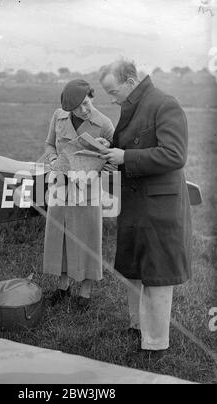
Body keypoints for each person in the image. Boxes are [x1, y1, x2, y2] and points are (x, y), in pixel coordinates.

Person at [99, 59, 192, 358]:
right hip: (137, 202)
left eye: (113, 92)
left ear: (130, 81)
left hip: (158, 206)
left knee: (156, 275)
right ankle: (137, 326)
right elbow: (127, 145)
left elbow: (174, 155)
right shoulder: (134, 105)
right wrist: (109, 149)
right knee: (135, 269)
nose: (112, 99)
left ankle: (155, 345)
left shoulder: (165, 103)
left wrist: (126, 157)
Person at [43, 79, 114, 311]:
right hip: (60, 186)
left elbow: (112, 163)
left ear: (91, 96)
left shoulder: (104, 124)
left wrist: (91, 175)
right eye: (77, 107)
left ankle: (85, 293)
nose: (84, 109)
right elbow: (49, 145)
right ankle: (62, 288)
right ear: (67, 109)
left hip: (88, 191)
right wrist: (54, 162)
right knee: (60, 236)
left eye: (86, 103)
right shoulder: (58, 116)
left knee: (87, 238)